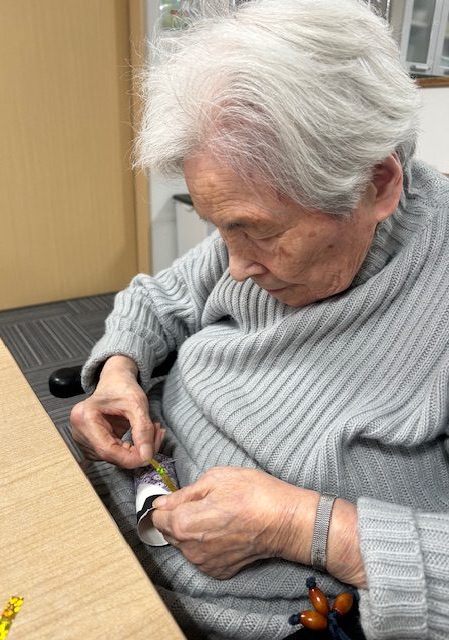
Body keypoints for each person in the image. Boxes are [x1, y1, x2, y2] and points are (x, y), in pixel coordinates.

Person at [69, 0, 449, 638]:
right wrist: (117, 371)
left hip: (223, 617)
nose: (236, 266)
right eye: (219, 228)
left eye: (259, 233)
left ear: (378, 184)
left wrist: (299, 526)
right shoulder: (253, 235)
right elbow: (159, 297)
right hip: (119, 501)